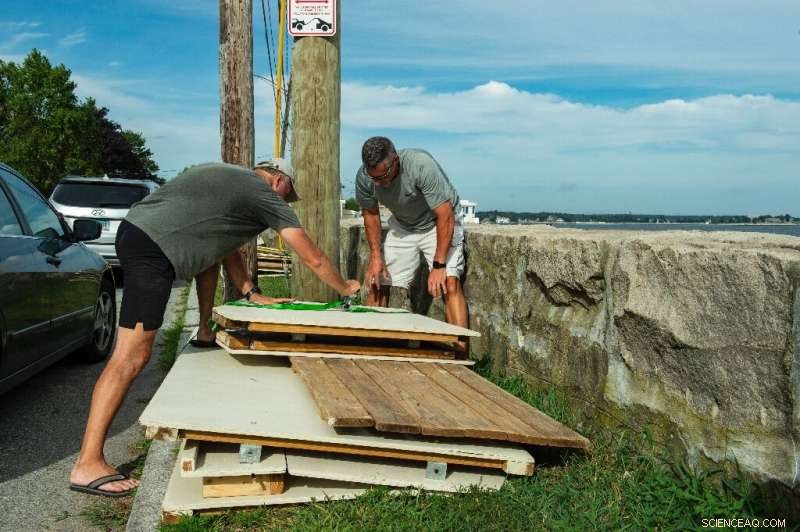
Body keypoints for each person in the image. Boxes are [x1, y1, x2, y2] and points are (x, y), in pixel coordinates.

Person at [69, 159, 359, 497]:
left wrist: (252, 293)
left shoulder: (229, 182)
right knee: (130, 357)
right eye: (287, 195)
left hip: (139, 233)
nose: (284, 203)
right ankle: (88, 462)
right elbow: (314, 258)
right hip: (152, 248)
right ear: (278, 181)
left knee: (202, 260)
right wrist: (345, 288)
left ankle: (205, 331)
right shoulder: (262, 195)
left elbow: (221, 248)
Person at [355, 136, 468, 342]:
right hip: (404, 224)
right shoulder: (364, 177)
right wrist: (375, 256)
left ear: (395, 160)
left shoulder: (420, 165)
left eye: (384, 176)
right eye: (375, 179)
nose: (381, 183)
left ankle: (460, 355)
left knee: (450, 283)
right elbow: (370, 214)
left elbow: (445, 214)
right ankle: (370, 345)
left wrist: (439, 264)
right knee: (378, 281)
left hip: (438, 223)